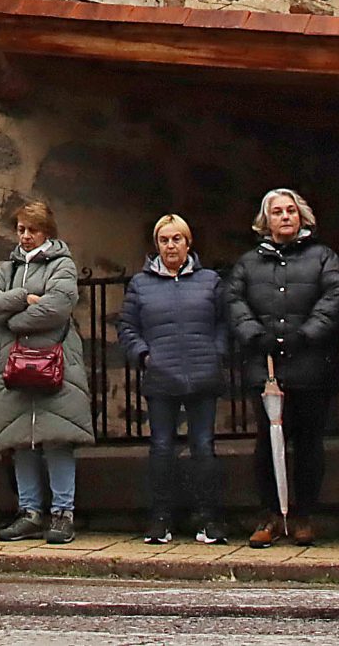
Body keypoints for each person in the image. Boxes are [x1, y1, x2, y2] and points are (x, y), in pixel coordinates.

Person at [223, 187, 339, 548]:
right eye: (277, 212)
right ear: (267, 220)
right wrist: (256, 335)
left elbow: (334, 296)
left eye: (291, 211)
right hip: (266, 369)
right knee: (267, 443)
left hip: (310, 365)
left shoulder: (323, 257)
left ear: (301, 216)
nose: (285, 217)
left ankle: (304, 515)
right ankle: (270, 516)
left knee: (309, 443)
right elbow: (234, 301)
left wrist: (306, 334)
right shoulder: (248, 263)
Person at [0, 200, 94, 546]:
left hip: (53, 362)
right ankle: (28, 511)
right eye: (21, 230)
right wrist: (22, 297)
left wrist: (13, 320)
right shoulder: (10, 268)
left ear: (46, 232)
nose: (25, 236)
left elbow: (57, 306)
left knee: (57, 439)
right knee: (22, 440)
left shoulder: (62, 264)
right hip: (15, 365)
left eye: (32, 230)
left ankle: (63, 512)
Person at [119, 212, 227, 544]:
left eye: (176, 239)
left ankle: (207, 518)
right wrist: (144, 355)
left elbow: (224, 322)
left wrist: (217, 352)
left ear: (188, 243)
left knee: (203, 447)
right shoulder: (140, 284)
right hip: (161, 376)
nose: (170, 246)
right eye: (164, 240)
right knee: (162, 448)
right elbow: (127, 326)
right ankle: (161, 518)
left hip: (202, 373)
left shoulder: (210, 280)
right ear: (156, 246)